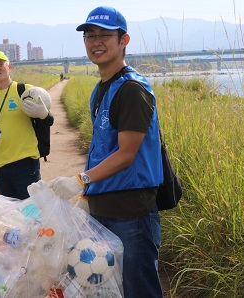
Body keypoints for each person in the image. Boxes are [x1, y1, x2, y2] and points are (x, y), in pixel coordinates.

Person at [48, 6, 163, 298]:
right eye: (90, 35)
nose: (95, 42)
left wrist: (80, 179)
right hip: (103, 209)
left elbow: (127, 154)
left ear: (123, 40)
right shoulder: (100, 89)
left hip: (131, 212)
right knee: (107, 288)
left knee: (139, 288)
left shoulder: (132, 89)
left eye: (104, 35)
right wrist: (87, 197)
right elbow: (102, 149)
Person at [0, 50, 54, 200]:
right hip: (1, 168)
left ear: (9, 67)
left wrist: (44, 114)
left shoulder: (26, 91)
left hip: (26, 164)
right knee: (12, 215)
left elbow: (49, 121)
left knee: (31, 215)